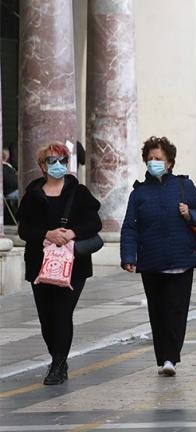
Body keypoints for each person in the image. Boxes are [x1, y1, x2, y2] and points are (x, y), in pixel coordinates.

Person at [121, 136, 196, 376]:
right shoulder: (139, 193)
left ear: (169, 162)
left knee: (176, 310)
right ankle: (163, 358)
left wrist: (189, 213)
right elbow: (130, 227)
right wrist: (128, 256)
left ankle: (172, 357)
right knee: (158, 311)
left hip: (181, 260)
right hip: (151, 262)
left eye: (158, 159)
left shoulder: (183, 186)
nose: (154, 162)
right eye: (150, 159)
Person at [17, 142, 102, 385]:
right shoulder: (33, 194)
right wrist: (47, 233)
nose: (57, 165)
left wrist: (71, 233)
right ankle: (58, 357)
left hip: (73, 264)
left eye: (62, 160)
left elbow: (94, 224)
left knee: (62, 313)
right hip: (39, 265)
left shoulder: (79, 192)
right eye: (52, 161)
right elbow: (24, 230)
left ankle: (57, 365)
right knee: (46, 318)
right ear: (42, 166)